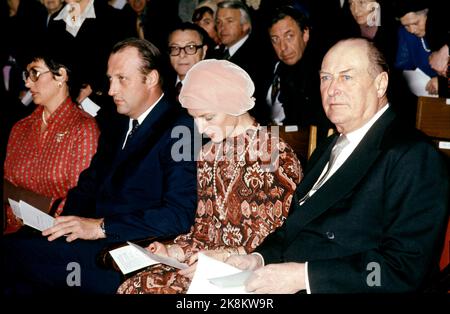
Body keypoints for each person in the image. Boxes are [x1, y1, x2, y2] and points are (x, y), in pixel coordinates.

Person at [226, 38, 449, 293]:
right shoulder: (327, 146)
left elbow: (404, 269)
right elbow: (297, 227)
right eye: (325, 78)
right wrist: (257, 258)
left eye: (346, 77)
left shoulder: (411, 154)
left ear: (380, 84)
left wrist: (305, 277)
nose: (332, 89)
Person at [2, 38, 197, 294]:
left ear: (150, 79)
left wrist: (100, 227)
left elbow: (178, 214)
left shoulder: (180, 127)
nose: (112, 89)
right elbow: (88, 185)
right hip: (89, 242)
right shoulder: (115, 123)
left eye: (121, 79)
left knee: (11, 256)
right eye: (110, 79)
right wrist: (63, 224)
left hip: (130, 251)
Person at [117, 59, 302, 294]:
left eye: (208, 117)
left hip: (248, 275)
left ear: (234, 105)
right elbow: (203, 232)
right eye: (194, 117)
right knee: (134, 286)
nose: (200, 128)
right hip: (204, 268)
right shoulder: (207, 153)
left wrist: (219, 260)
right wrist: (171, 252)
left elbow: (276, 243)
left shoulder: (273, 155)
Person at [3, 53, 99, 234]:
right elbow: (7, 187)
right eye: (27, 75)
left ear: (61, 75)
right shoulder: (20, 128)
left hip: (57, 238)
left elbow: (79, 199)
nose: (27, 83)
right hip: (13, 233)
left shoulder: (83, 129)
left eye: (35, 74)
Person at [264, 5, 331, 141]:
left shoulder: (322, 70)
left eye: (289, 36)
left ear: (305, 34)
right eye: (275, 40)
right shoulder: (278, 68)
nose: (283, 47)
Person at [166, 22, 209, 101]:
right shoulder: (160, 86)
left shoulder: (213, 89)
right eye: (175, 48)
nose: (182, 55)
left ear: (204, 51)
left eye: (190, 47)